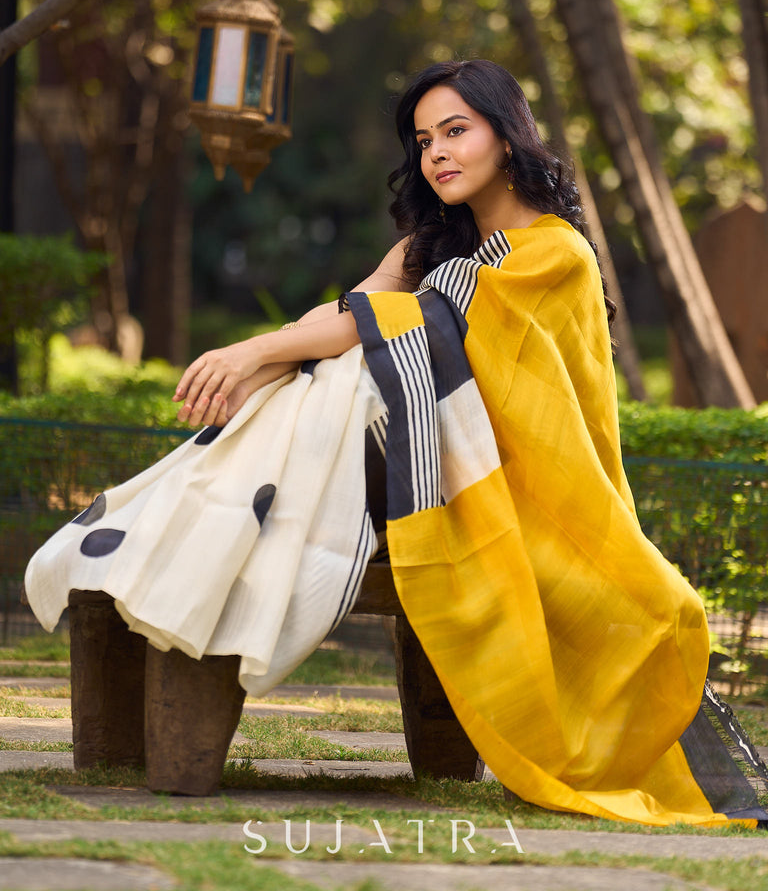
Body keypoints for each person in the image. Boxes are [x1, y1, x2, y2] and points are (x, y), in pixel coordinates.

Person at [24, 59, 766, 829]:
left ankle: (204, 513)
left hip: (519, 486)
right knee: (328, 377)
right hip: (411, 464)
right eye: (423, 140)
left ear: (506, 141)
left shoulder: (554, 253)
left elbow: (410, 333)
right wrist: (278, 353)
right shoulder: (433, 246)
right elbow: (360, 308)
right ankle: (194, 522)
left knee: (341, 377)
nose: (437, 153)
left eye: (456, 131)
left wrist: (252, 354)